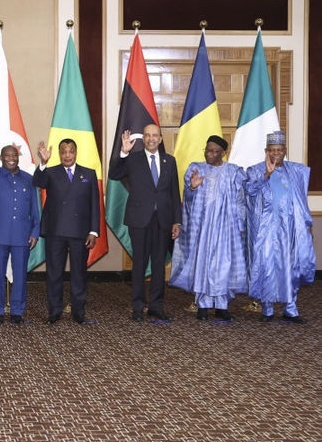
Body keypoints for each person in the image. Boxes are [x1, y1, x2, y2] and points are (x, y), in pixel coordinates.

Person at [108, 124, 182, 322]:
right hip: (139, 220)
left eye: (155, 135)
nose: (151, 138)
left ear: (160, 139)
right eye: (147, 135)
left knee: (159, 265)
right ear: (143, 139)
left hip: (163, 221)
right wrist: (123, 152)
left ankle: (156, 307)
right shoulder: (133, 159)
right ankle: (138, 307)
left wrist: (177, 221)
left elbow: (174, 192)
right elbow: (114, 174)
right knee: (139, 264)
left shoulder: (169, 161)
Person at [169, 135, 247, 322]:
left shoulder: (233, 172)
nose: (209, 154)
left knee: (223, 264)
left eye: (214, 152)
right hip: (202, 228)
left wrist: (240, 225)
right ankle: (202, 305)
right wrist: (192, 188)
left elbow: (240, 201)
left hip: (226, 228)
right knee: (202, 263)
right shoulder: (196, 169)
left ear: (223, 153)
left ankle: (221, 306)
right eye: (207, 150)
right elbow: (187, 199)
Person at [245, 130, 315, 324]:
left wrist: (307, 224)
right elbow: (249, 191)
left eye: (279, 149)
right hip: (266, 229)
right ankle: (267, 309)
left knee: (291, 267)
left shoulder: (296, 171)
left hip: (291, 228)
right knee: (267, 266)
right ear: (266, 151)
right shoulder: (255, 171)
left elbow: (301, 201)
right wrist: (266, 175)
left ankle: (290, 310)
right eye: (272, 150)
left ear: (285, 150)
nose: (276, 153)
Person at [33, 138, 99, 325]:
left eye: (70, 151)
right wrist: (43, 162)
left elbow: (95, 204)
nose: (67, 155)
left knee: (79, 273)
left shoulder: (88, 174)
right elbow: (37, 181)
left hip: (80, 232)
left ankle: (79, 312)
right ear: (59, 154)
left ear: (76, 153)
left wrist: (94, 231)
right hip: (56, 231)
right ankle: (54, 311)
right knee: (54, 273)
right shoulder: (51, 172)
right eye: (63, 152)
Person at [0, 145, 40, 324]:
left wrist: (35, 232)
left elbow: (34, 208)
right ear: (1, 157)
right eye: (7, 155)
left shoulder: (28, 179)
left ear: (18, 157)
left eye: (14, 155)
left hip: (22, 234)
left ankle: (17, 311)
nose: (11, 158)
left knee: (20, 275)